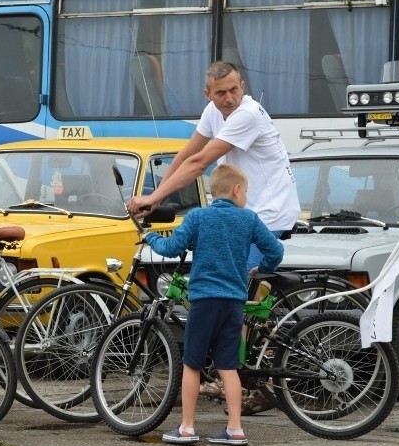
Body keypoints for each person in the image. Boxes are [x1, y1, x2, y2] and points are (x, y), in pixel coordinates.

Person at [127, 60, 300, 415]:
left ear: (243, 85)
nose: (229, 98)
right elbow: (187, 154)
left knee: (228, 291)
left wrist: (153, 199)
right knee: (229, 291)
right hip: (246, 211)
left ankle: (246, 379)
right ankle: (234, 371)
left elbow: (200, 163)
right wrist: (155, 193)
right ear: (207, 94)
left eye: (235, 89)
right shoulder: (213, 111)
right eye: (220, 92)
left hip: (267, 213)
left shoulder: (247, 114)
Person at [146, 164, 284, 446]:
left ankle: (186, 428)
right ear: (236, 190)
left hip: (204, 301)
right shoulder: (248, 219)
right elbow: (276, 251)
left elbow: (172, 249)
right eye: (246, 190)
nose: (246, 196)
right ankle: (235, 429)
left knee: (192, 364)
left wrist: (151, 237)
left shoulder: (198, 216)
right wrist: (263, 267)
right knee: (228, 365)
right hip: (233, 302)